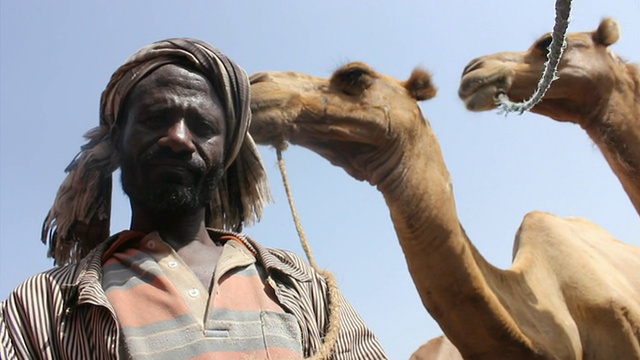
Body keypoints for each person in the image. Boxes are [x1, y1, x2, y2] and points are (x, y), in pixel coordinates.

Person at [0, 38, 387, 359]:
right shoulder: (41, 308)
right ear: (118, 139)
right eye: (154, 119)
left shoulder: (302, 287)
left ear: (227, 150)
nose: (179, 138)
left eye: (202, 126)